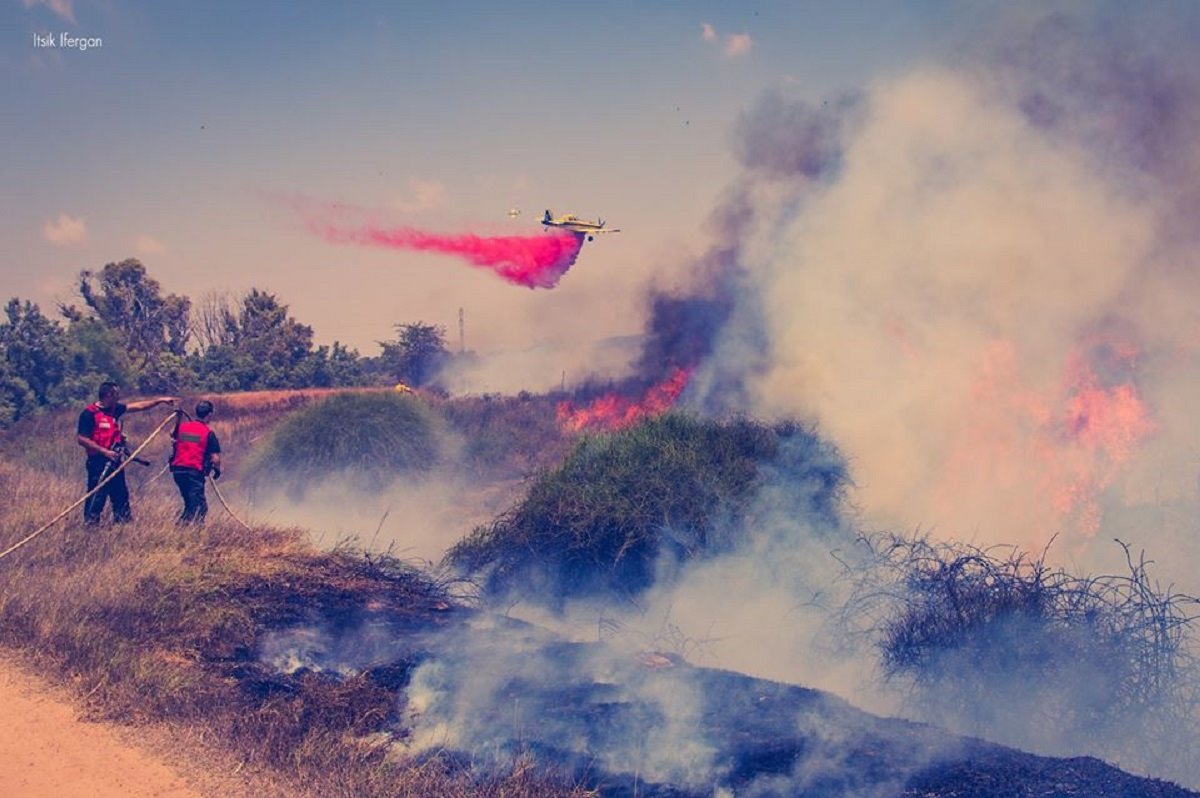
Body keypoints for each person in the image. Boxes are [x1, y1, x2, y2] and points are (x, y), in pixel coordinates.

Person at [77, 382, 176, 526]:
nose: (119, 397)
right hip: (98, 462)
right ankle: (91, 526)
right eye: (116, 394)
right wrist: (105, 452)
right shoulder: (89, 414)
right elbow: (82, 439)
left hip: (115, 462)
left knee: (120, 495)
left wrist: (159, 401)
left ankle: (123, 525)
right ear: (108, 395)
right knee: (97, 495)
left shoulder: (115, 409)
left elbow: (139, 406)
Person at [170, 400, 222, 525]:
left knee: (189, 504)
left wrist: (178, 419)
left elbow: (173, 435)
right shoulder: (208, 433)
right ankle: (196, 531)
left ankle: (181, 528)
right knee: (200, 507)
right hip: (193, 473)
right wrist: (217, 470)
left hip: (178, 472)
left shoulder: (183, 428)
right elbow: (215, 458)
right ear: (209, 414)